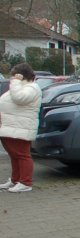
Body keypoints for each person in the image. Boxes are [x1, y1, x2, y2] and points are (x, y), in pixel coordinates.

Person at [0, 63, 41, 193]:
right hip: (11, 126)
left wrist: (16, 82)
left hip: (20, 127)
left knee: (22, 155)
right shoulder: (22, 86)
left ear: (21, 75)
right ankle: (15, 180)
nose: (12, 78)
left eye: (14, 75)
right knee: (14, 155)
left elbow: (19, 98)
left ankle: (25, 182)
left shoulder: (32, 88)